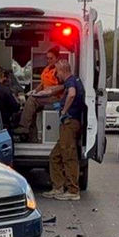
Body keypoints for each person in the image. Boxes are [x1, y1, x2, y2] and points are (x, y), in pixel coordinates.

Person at [44, 59, 86, 201]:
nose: (56, 75)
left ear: (62, 71)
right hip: (70, 123)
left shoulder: (70, 82)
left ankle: (73, 190)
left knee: (68, 156)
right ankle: (58, 187)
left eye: (57, 72)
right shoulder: (74, 80)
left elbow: (72, 94)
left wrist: (64, 110)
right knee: (55, 156)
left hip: (69, 123)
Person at [14, 48, 64, 139]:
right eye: (47, 58)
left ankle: (24, 127)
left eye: (51, 58)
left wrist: (48, 92)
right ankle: (32, 137)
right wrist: (35, 91)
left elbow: (62, 86)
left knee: (32, 100)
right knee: (30, 109)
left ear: (57, 58)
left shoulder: (59, 70)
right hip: (45, 96)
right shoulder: (47, 68)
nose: (48, 60)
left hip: (55, 97)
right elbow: (42, 83)